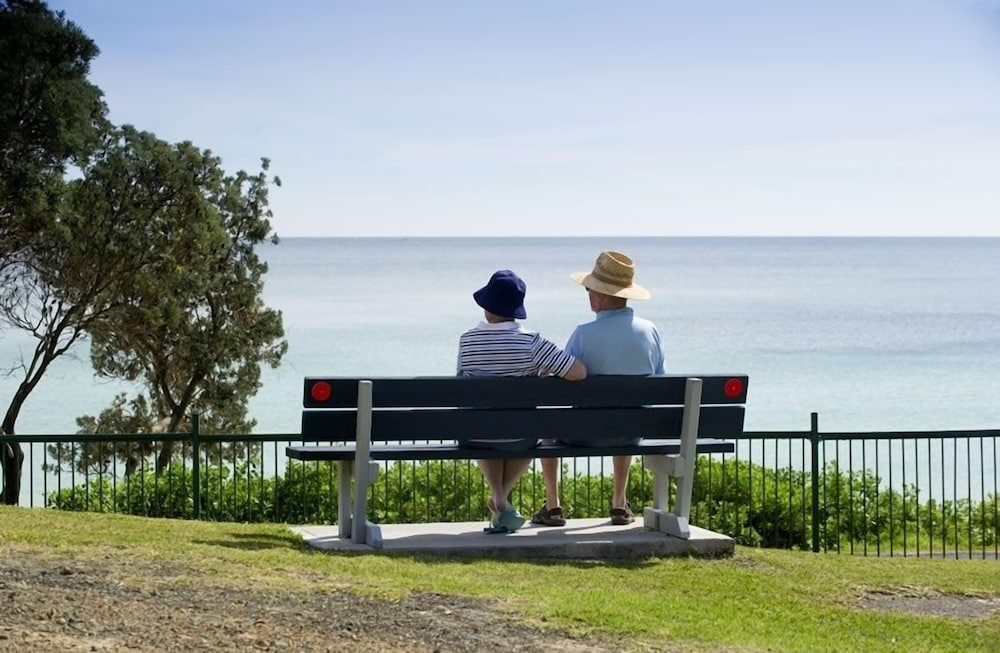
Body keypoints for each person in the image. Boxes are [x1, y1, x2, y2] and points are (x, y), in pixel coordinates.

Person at [532, 250, 665, 527]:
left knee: (545, 425)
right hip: (632, 433)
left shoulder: (583, 334)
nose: (588, 295)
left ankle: (553, 505)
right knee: (627, 413)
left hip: (585, 434)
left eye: (590, 290)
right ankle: (619, 503)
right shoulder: (650, 331)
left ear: (601, 295)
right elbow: (660, 381)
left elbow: (561, 380)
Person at [457, 269, 587, 534]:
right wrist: (543, 371)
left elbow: (461, 382)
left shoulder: (467, 340)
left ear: (486, 306)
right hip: (521, 435)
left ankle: (499, 496)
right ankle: (500, 496)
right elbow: (578, 372)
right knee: (522, 431)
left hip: (476, 434)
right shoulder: (531, 343)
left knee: (488, 425)